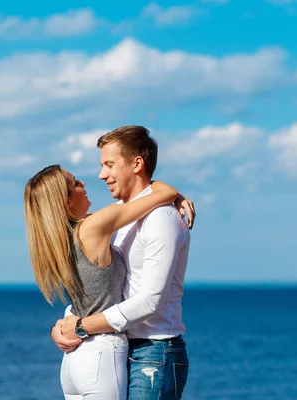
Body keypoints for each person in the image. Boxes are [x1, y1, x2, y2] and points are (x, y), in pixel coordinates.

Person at [51, 126, 194, 400]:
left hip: (154, 352)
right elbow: (105, 289)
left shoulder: (161, 218)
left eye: (109, 165)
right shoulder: (120, 221)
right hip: (123, 347)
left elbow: (150, 301)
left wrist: (81, 326)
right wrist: (63, 324)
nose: (101, 174)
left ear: (137, 164)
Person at [24, 163, 186, 399]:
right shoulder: (95, 225)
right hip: (101, 353)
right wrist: (178, 197)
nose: (84, 184)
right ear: (66, 201)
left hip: (75, 361)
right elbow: (164, 193)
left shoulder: (57, 240)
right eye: (75, 183)